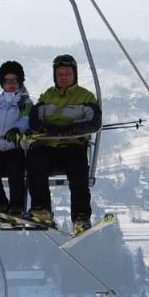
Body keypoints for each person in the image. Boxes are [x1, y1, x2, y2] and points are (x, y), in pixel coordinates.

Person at [26, 53, 102, 233]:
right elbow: (34, 120)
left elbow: (94, 123)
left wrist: (71, 130)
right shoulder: (48, 95)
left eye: (67, 73)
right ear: (55, 76)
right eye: (60, 74)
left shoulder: (85, 96)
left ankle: (81, 217)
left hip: (72, 145)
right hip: (48, 145)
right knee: (34, 158)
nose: (64, 77)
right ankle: (41, 209)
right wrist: (49, 130)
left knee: (78, 170)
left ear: (74, 74)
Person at [0, 60, 33, 217]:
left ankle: (17, 206)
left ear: (20, 81)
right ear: (2, 83)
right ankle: (0, 204)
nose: (11, 84)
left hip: (15, 147)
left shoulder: (25, 103)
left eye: (14, 80)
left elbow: (26, 119)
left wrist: (17, 129)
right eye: (7, 81)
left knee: (16, 171)